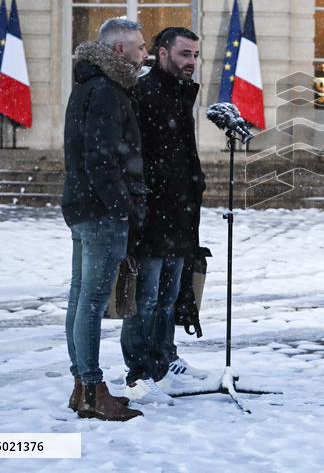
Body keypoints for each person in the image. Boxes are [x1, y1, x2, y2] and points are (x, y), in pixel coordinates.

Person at [62, 18, 148, 421]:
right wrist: (122, 208)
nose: (144, 53)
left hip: (83, 208)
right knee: (91, 302)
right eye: (140, 47)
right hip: (100, 213)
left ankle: (82, 386)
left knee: (81, 298)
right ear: (119, 51)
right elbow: (101, 158)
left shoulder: (87, 86)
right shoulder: (107, 92)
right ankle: (94, 390)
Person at [121, 27, 207, 402]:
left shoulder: (180, 92)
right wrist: (142, 201)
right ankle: (139, 372)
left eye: (194, 56)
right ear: (162, 53)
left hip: (180, 211)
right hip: (152, 212)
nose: (191, 62)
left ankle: (163, 360)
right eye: (184, 54)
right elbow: (134, 153)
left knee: (171, 295)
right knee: (146, 299)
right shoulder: (144, 92)